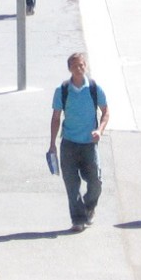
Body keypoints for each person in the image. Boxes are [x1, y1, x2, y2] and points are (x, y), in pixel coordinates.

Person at [49, 51, 109, 232]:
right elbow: (56, 118)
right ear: (70, 69)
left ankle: (89, 206)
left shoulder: (94, 88)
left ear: (86, 66)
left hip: (89, 144)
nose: (79, 68)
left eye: (82, 65)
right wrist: (52, 144)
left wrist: (100, 130)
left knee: (95, 182)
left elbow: (106, 112)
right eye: (75, 66)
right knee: (72, 185)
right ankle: (78, 219)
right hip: (69, 143)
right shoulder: (62, 90)